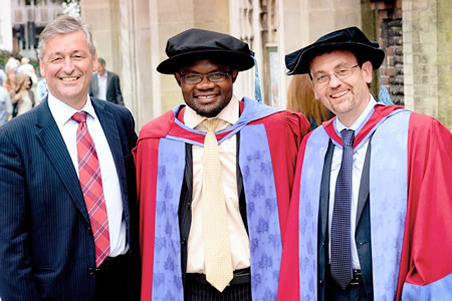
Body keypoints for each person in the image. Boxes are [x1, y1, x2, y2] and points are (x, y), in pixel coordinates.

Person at [133, 28, 310, 300]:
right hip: (187, 290)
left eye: (216, 74)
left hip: (259, 286)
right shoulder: (156, 141)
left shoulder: (277, 130)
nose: (205, 85)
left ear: (234, 75)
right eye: (192, 75)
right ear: (179, 78)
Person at [277, 26, 452, 300]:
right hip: (326, 291)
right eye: (322, 77)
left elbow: (439, 232)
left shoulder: (417, 133)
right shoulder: (313, 146)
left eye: (343, 70)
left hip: (390, 290)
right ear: (314, 89)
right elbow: (299, 240)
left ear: (366, 72)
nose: (334, 83)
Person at [0, 15, 140, 301]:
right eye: (57, 58)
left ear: (93, 60)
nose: (68, 67)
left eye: (78, 55)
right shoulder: (15, 139)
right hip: (59, 292)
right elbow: (10, 247)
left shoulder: (120, 120)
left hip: (125, 285)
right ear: (42, 66)